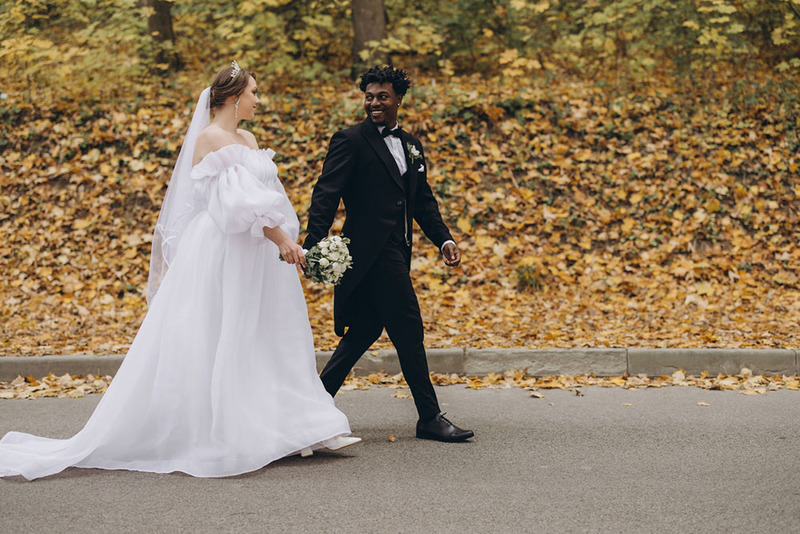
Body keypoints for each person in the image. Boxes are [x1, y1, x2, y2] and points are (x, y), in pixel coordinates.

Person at [0, 62, 360, 481]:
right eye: (254, 93)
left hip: (257, 251)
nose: (258, 100)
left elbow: (267, 195)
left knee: (269, 334)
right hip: (226, 250)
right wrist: (281, 239)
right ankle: (231, 429)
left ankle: (303, 426)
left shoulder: (248, 137)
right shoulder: (211, 139)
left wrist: (285, 237)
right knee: (226, 334)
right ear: (232, 97)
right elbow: (236, 204)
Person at [304, 65, 473, 442]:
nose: (374, 102)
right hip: (369, 255)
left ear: (398, 99)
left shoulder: (412, 145)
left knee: (363, 331)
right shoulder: (350, 140)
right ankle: (429, 417)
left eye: (382, 96)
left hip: (397, 251)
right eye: (369, 96)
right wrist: (313, 243)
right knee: (409, 330)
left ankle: (309, 405)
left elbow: (423, 202)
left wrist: (443, 239)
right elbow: (326, 193)